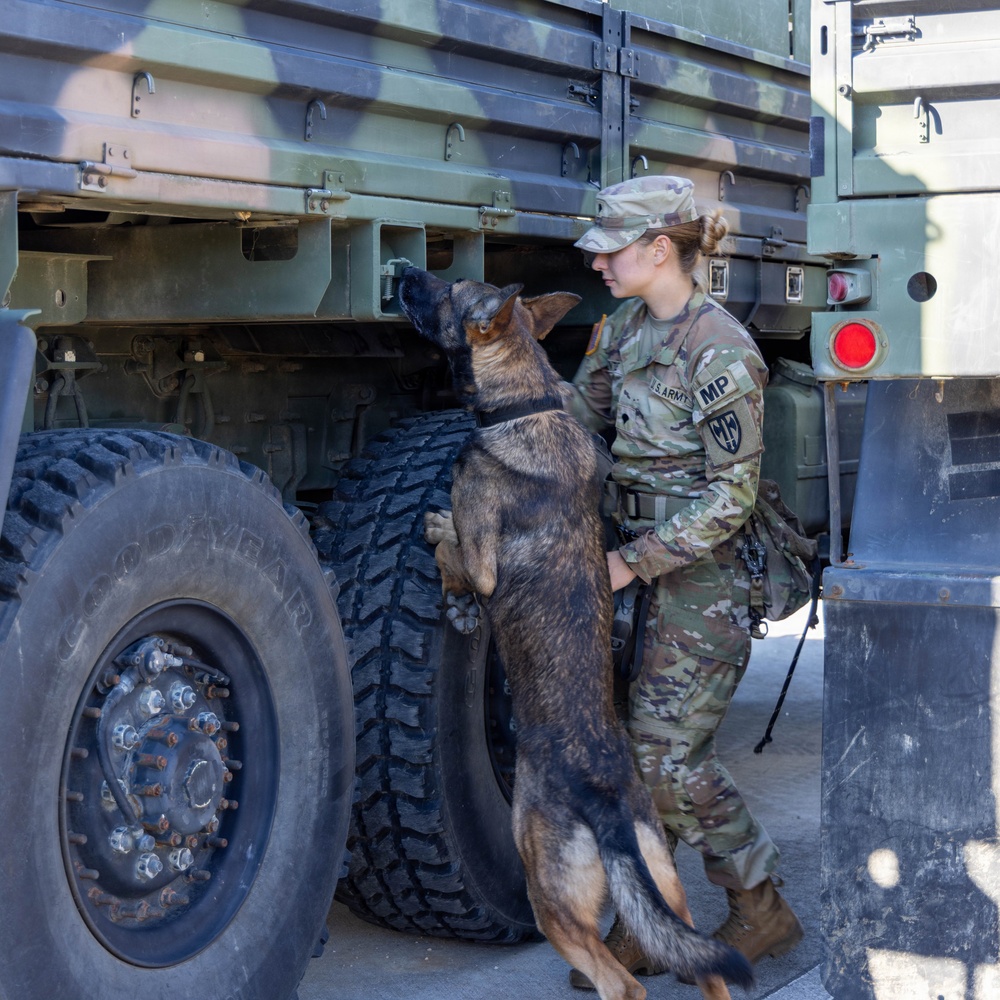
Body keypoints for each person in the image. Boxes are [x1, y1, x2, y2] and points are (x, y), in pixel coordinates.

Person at [563, 175, 803, 989]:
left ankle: (760, 904)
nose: (598, 264)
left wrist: (631, 562)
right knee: (629, 757)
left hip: (703, 582)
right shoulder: (622, 332)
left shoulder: (720, 349)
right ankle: (649, 919)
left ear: (660, 249)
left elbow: (732, 496)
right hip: (632, 564)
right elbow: (580, 422)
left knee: (667, 756)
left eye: (611, 251)